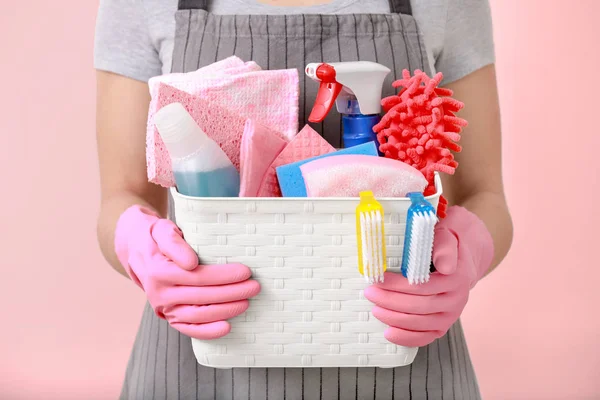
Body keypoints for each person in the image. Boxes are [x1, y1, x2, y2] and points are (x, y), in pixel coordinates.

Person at [94, 0, 513, 398]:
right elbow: (123, 193)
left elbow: (484, 194)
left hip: (403, 352)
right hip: (196, 363)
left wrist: (466, 252)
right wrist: (139, 246)